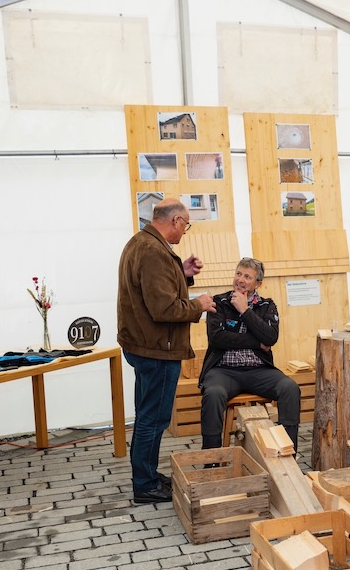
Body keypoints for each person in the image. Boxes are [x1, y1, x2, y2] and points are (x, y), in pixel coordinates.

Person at [117, 198, 216, 504]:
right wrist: (198, 305)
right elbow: (164, 308)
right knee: (154, 418)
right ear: (175, 221)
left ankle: (145, 475)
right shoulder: (153, 251)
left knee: (147, 415)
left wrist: (182, 273)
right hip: (157, 349)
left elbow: (153, 289)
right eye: (186, 225)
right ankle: (145, 485)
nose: (185, 231)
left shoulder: (142, 243)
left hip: (145, 345)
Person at [199, 257, 301, 451]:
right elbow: (217, 338)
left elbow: (270, 337)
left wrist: (245, 310)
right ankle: (212, 458)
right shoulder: (219, 302)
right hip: (223, 370)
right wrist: (256, 342)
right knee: (213, 394)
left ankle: (288, 453)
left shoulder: (267, 306)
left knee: (290, 388)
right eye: (238, 274)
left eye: (247, 276)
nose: (240, 279)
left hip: (259, 371)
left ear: (258, 283)